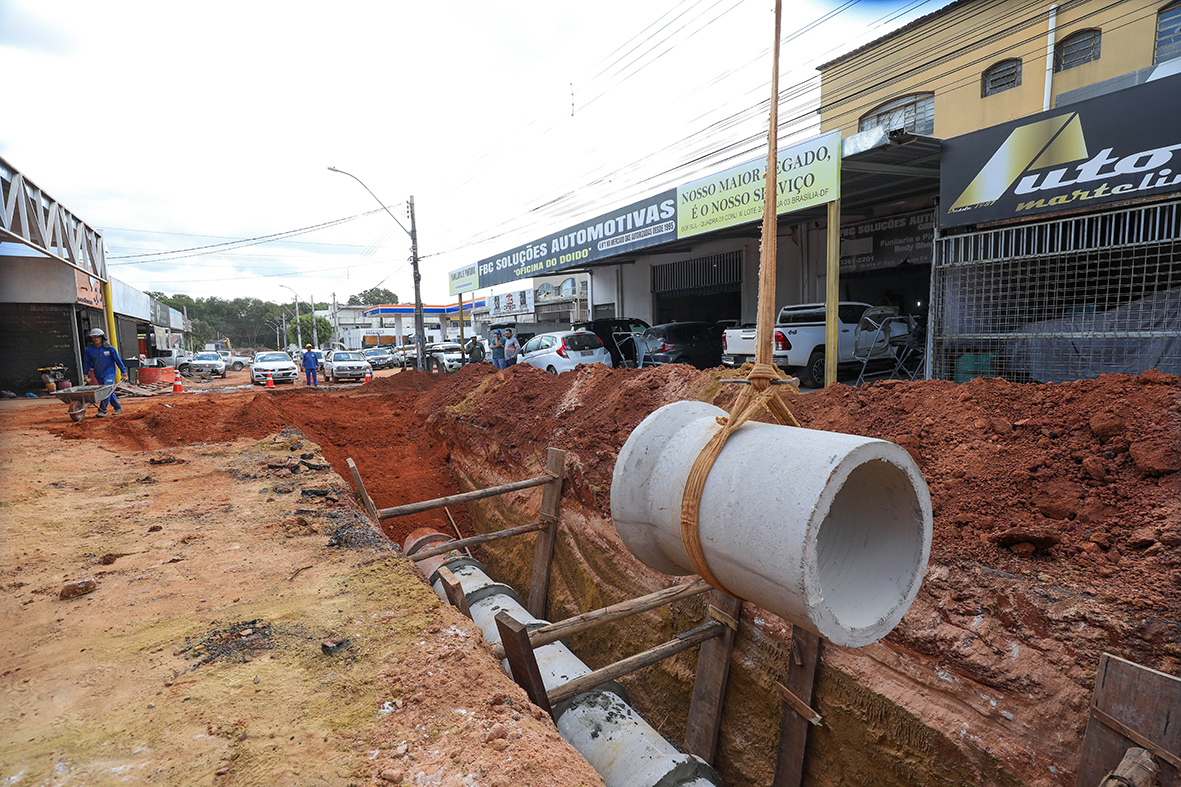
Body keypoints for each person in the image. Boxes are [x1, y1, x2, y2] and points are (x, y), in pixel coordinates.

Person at [81, 328, 128, 417]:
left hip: (110, 372)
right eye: (94, 337)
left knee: (106, 389)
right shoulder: (89, 350)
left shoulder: (110, 349)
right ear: (91, 338)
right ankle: (118, 407)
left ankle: (102, 410)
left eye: (98, 337)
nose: (96, 339)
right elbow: (87, 363)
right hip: (98, 373)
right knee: (108, 391)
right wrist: (85, 375)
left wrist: (124, 373)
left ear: (102, 337)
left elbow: (118, 361)